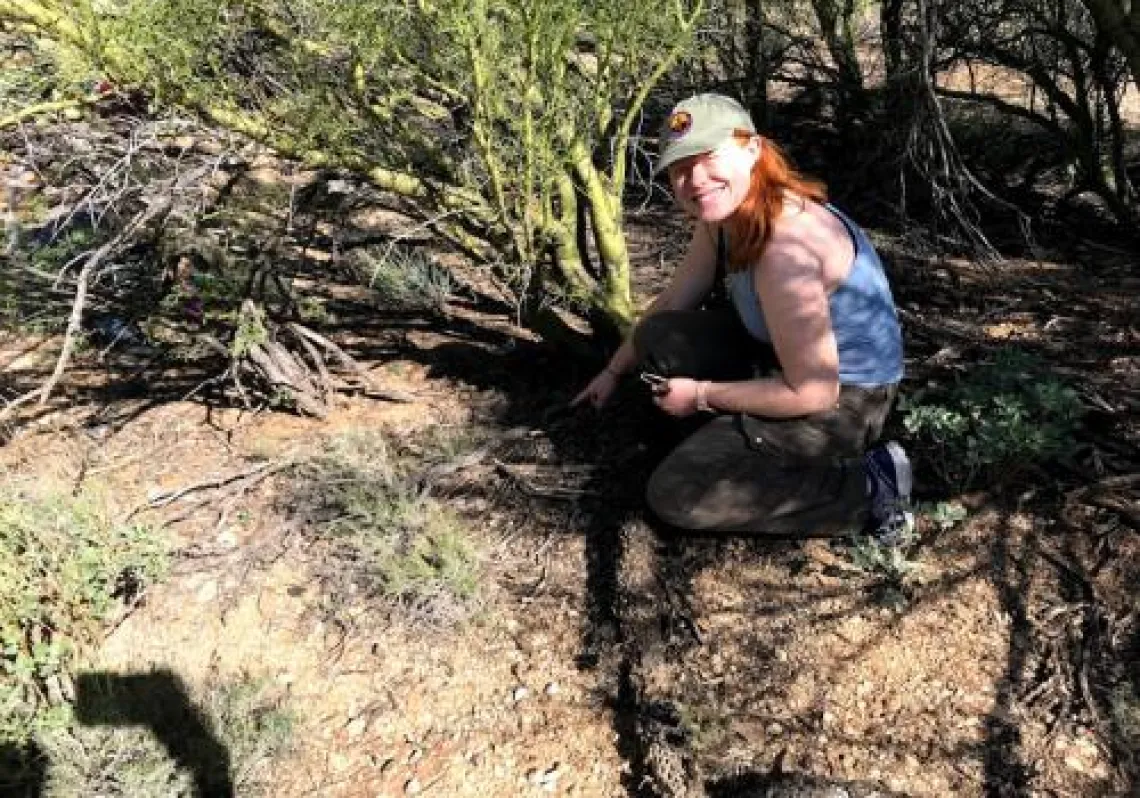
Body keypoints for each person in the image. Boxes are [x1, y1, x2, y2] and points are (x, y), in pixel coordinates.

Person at [572, 93, 912, 540]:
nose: (695, 180)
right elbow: (674, 300)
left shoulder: (785, 248)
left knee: (679, 495)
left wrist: (700, 396)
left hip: (846, 399)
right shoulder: (724, 217)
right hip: (778, 356)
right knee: (659, 335)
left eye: (708, 157)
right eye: (679, 169)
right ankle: (727, 437)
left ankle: (869, 487)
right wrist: (613, 371)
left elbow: (813, 391)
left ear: (752, 149)